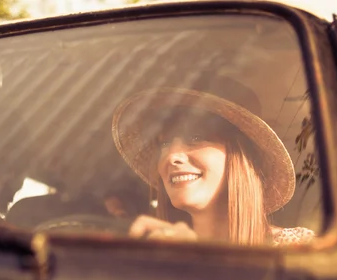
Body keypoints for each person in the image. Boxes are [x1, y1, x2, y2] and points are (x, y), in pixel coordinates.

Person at [111, 85, 314, 246]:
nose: (172, 156)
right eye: (164, 143)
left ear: (240, 156)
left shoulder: (298, 249)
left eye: (196, 138)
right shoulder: (152, 252)